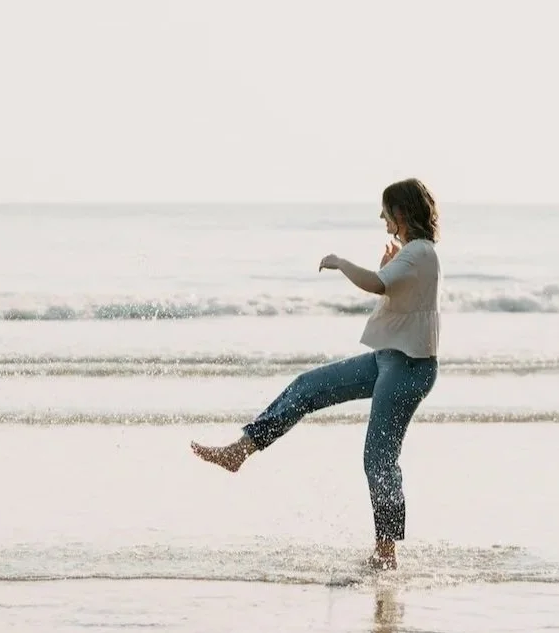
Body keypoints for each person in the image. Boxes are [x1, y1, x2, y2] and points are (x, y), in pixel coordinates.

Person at [190, 178, 443, 571]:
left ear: (401, 212)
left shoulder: (422, 252)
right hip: (386, 360)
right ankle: (241, 449)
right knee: (307, 386)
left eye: (385, 210)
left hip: (409, 366)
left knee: (379, 459)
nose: (381, 217)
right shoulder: (412, 254)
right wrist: (388, 268)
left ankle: (386, 554)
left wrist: (342, 263)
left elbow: (377, 285)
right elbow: (392, 290)